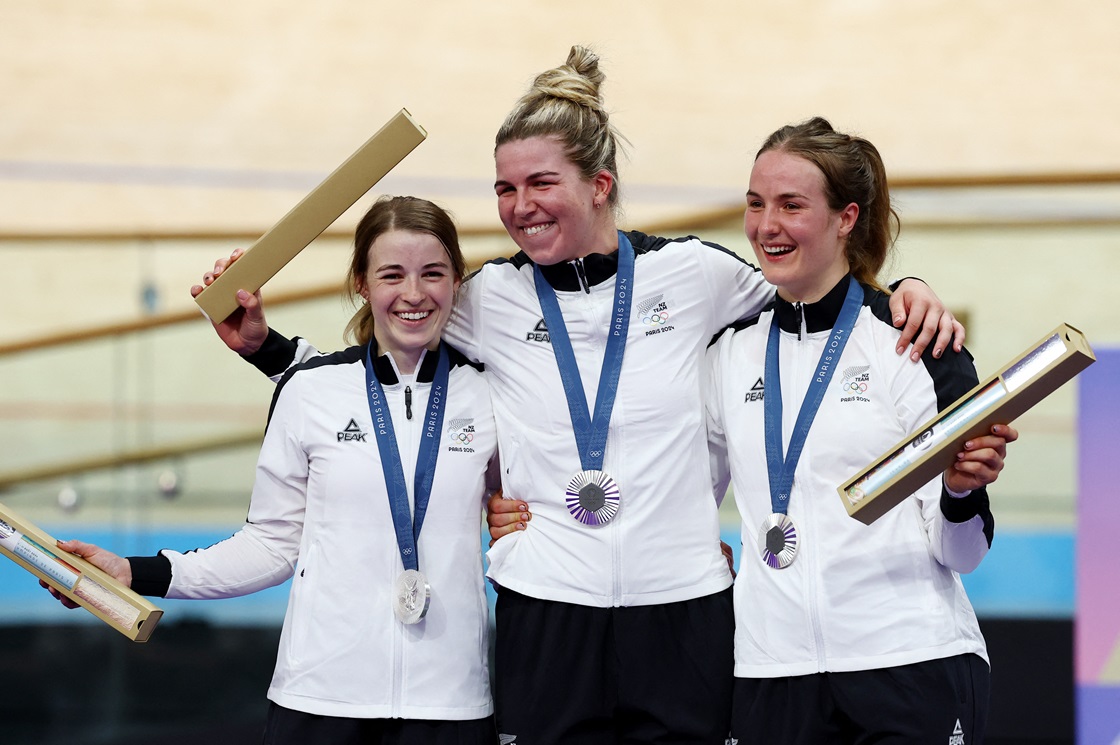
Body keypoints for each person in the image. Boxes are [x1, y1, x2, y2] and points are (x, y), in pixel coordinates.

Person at [198, 48, 964, 745]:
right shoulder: (486, 297)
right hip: (547, 610)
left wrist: (902, 290)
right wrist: (266, 347)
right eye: (504, 188)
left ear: (600, 186)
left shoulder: (694, 276)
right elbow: (387, 349)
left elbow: (815, 294)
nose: (519, 206)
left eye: (539, 184)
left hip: (683, 612)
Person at [44, 196, 500, 745]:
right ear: (361, 281)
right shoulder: (310, 392)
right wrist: (133, 572)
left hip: (449, 703)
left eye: (433, 273)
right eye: (391, 274)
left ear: (456, 282)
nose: (413, 293)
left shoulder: (492, 397)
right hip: (318, 699)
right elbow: (273, 544)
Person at [705, 117, 1015, 744]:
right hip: (772, 673)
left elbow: (965, 553)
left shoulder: (917, 343)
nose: (768, 225)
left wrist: (958, 492)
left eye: (792, 205)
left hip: (908, 663)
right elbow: (684, 501)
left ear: (845, 218)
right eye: (756, 203)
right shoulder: (727, 353)